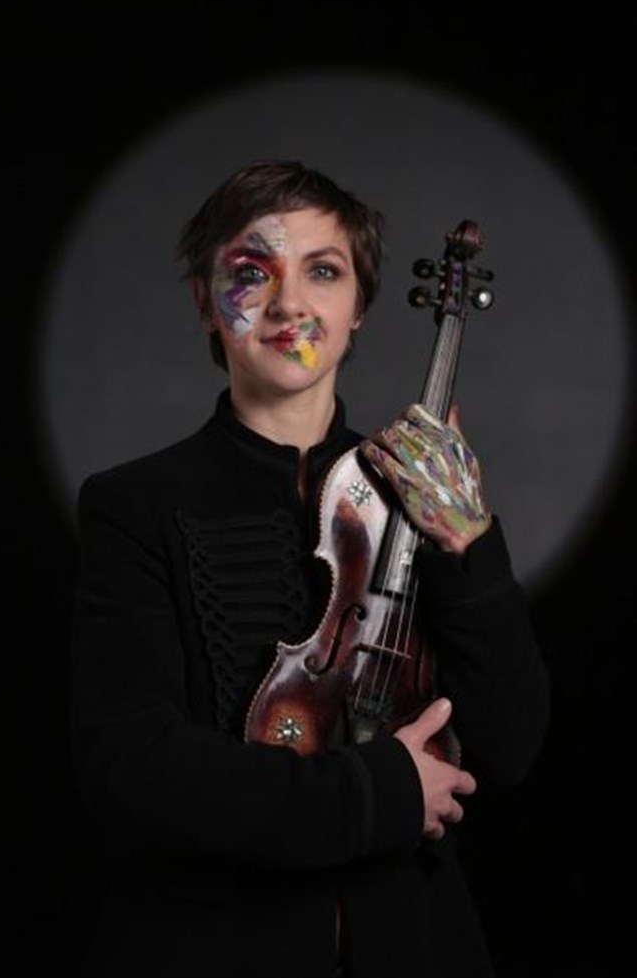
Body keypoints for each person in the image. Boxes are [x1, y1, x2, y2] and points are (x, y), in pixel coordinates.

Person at [68, 159, 550, 978]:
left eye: (323, 271)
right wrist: (379, 793)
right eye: (251, 272)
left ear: (358, 307)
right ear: (206, 303)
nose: (289, 302)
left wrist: (468, 545)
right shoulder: (134, 505)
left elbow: (509, 746)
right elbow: (136, 765)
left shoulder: (416, 492)